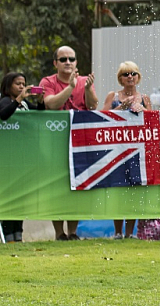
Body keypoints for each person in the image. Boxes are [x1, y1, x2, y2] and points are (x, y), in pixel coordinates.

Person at [41, 46, 98, 241]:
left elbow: (92, 106)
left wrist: (88, 88)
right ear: (55, 63)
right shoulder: (47, 81)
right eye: (63, 59)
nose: (68, 62)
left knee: (77, 184)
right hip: (53, 142)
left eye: (71, 59)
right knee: (56, 186)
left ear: (76, 62)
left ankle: (73, 232)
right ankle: (59, 233)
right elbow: (51, 104)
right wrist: (71, 87)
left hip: (80, 142)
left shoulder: (84, 81)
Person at [102, 61, 152, 239]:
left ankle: (131, 233)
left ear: (138, 77)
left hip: (137, 150)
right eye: (126, 74)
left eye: (133, 73)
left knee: (134, 188)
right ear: (120, 79)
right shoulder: (113, 95)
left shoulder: (145, 98)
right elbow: (102, 118)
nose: (130, 77)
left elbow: (152, 124)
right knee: (118, 189)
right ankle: (117, 232)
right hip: (117, 148)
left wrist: (143, 111)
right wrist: (121, 108)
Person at [0, 72, 45, 243]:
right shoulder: (5, 101)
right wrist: (18, 100)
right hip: (9, 157)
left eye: (23, 83)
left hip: (24, 157)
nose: (21, 87)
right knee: (10, 196)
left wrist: (40, 100)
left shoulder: (25, 103)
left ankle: (18, 233)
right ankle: (8, 234)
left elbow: (39, 114)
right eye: (17, 83)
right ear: (8, 85)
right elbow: (4, 115)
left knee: (20, 197)